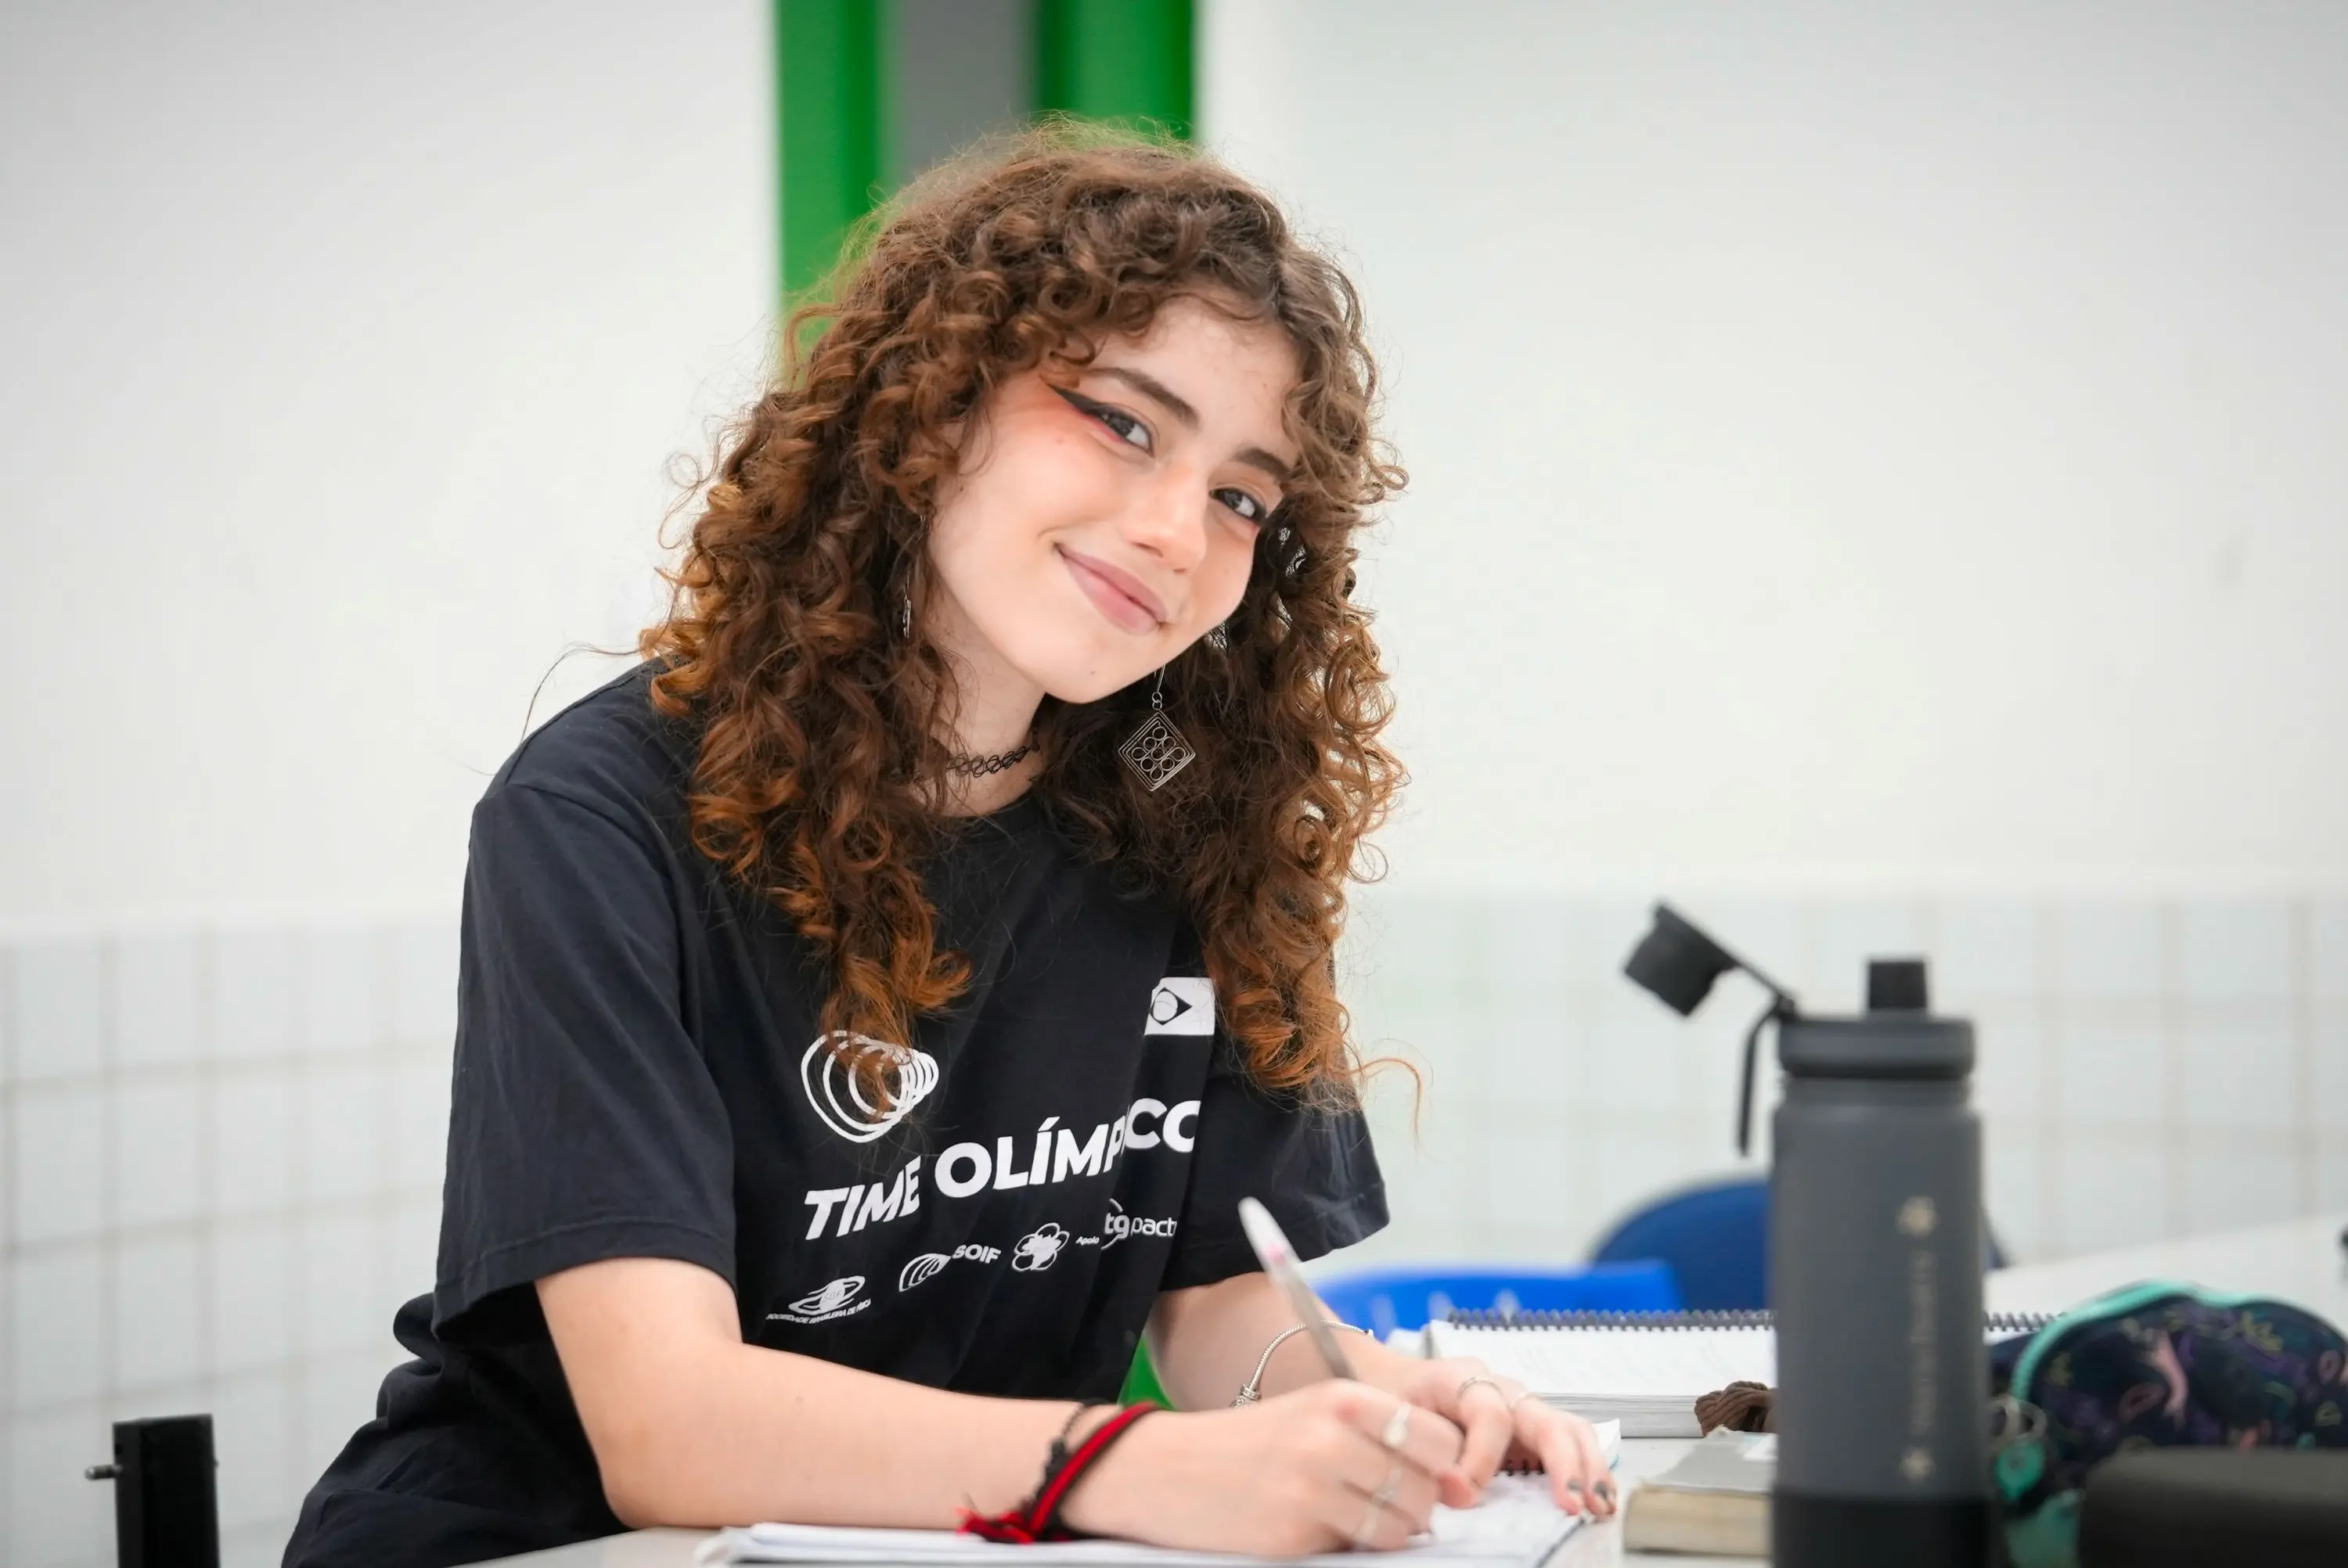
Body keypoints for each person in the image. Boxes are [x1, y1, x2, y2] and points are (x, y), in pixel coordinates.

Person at [283, 126, 1617, 1568]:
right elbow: (667, 1428)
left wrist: (1406, 1409)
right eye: (1121, 419)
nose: (1180, 529)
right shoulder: (602, 813)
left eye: (1243, 495)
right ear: (933, 405)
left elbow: (1221, 1310)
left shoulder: (1191, 828)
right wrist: (1133, 1462)